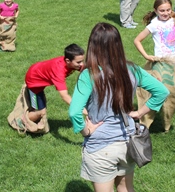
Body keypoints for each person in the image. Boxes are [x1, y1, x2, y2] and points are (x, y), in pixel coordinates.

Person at [68, 23, 169, 191]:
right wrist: (138, 113)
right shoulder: (132, 69)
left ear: (92, 46)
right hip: (127, 143)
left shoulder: (89, 74)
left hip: (100, 147)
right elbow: (161, 91)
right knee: (125, 188)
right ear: (118, 45)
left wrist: (85, 130)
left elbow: (74, 111)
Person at [133, 0, 175, 132]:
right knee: (156, 92)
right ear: (156, 11)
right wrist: (146, 56)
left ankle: (166, 121)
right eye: (162, 10)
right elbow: (137, 40)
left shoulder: (174, 18)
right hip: (161, 63)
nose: (166, 13)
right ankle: (143, 125)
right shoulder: (154, 24)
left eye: (168, 9)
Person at [23, 44, 85, 128]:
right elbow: (64, 96)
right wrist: (79, 108)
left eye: (82, 61)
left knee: (39, 109)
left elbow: (89, 70)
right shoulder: (58, 71)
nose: (81, 64)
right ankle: (22, 120)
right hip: (33, 82)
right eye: (78, 62)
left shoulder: (73, 63)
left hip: (39, 72)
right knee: (41, 112)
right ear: (67, 61)